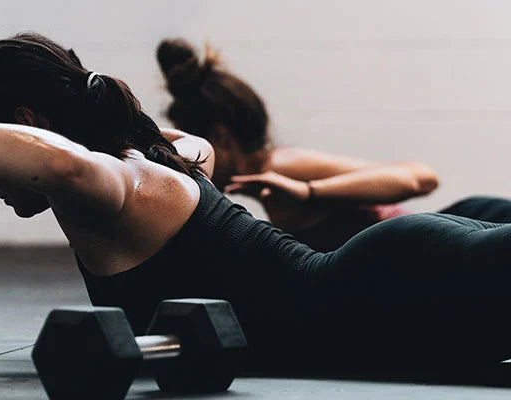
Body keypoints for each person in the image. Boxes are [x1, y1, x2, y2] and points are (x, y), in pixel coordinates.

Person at [0, 33, 511, 373]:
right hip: (395, 310)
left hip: (394, 290)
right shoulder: (164, 156)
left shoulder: (118, 185)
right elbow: (97, 148)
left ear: (25, 124)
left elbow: (61, 161)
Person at [156, 38, 511, 251]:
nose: (187, 160)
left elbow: (421, 177)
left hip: (459, 233)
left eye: (192, 145)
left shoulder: (281, 167)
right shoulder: (266, 185)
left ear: (220, 136)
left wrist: (310, 191)